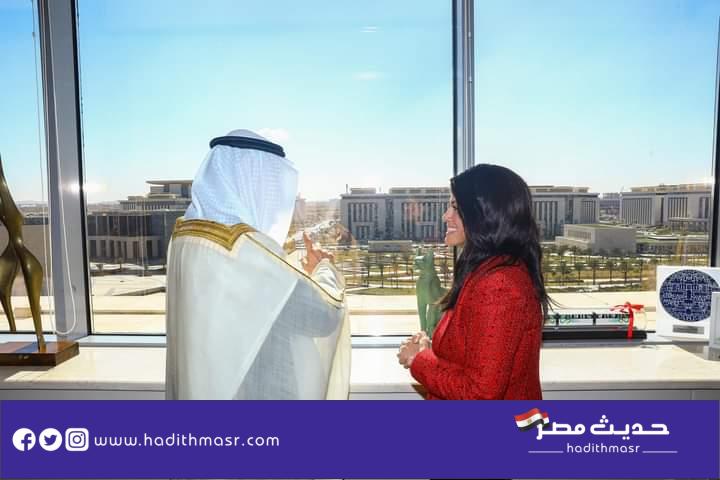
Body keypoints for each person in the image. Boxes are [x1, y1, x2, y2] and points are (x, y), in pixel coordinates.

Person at [165, 129, 350, 400]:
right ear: (255, 183)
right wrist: (323, 268)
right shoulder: (243, 249)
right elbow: (322, 316)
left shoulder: (186, 237)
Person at [397, 164, 547, 400]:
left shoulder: (500, 285)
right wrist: (428, 350)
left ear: (486, 214)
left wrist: (418, 359)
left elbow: (480, 393)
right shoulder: (486, 271)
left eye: (456, 207)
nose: (446, 215)